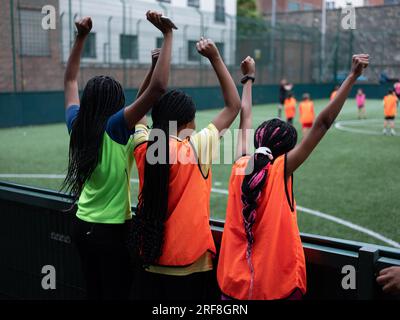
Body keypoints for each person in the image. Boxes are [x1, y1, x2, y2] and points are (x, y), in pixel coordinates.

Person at [217, 54, 369, 300]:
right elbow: (323, 123)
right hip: (276, 288)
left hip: (233, 287)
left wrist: (248, 80)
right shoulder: (280, 172)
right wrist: (352, 76)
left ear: (258, 141)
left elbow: (245, 120)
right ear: (286, 152)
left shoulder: (239, 167)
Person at [62, 11, 174, 300]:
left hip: (80, 224)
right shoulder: (115, 127)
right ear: (115, 106)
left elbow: (71, 80)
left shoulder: (78, 123)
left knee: (94, 290)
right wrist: (167, 35)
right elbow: (157, 90)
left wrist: (81, 36)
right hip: (110, 233)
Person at [130, 38, 241, 300]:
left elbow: (137, 113)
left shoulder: (145, 149)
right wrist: (215, 58)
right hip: (190, 266)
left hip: (150, 260)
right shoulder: (196, 149)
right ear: (188, 122)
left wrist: (153, 69)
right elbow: (233, 106)